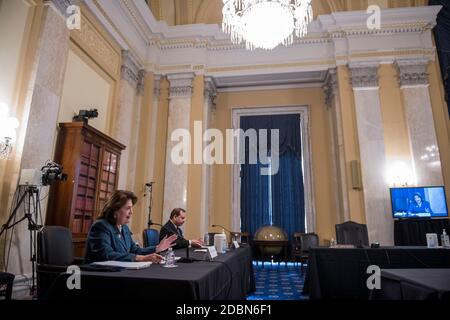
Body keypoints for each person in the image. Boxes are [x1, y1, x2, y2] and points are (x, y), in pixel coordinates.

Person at [84, 190, 177, 263]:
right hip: (98, 277)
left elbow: (135, 250)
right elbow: (106, 254)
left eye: (131, 208)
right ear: (115, 210)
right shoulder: (101, 226)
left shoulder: (124, 228)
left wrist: (157, 248)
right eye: (128, 208)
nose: (131, 212)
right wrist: (139, 258)